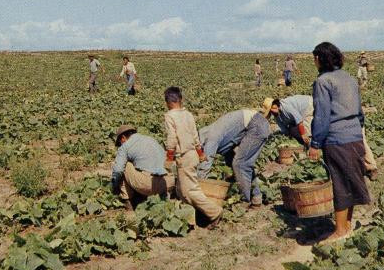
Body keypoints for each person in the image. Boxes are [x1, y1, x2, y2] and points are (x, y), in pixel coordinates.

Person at [309, 42, 371, 244]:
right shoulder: (349, 78)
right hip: (354, 135)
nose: (314, 62)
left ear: (320, 59)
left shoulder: (323, 81)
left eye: (315, 58)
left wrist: (315, 143)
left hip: (336, 138)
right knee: (350, 180)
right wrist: (357, 130)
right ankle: (346, 226)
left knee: (340, 184)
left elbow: (322, 116)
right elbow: (360, 111)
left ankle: (339, 231)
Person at [263, 96, 378, 179]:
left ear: (275, 105)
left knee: (359, 141)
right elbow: (285, 129)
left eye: (272, 110)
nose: (272, 113)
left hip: (352, 119)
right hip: (338, 118)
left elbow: (299, 120)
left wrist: (305, 135)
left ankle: (371, 168)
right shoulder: (278, 115)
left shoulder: (288, 107)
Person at [163, 86, 223, 227]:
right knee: (183, 190)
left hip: (184, 156)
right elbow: (196, 136)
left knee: (190, 191)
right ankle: (190, 220)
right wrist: (200, 154)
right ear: (181, 99)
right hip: (193, 155)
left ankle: (214, 212)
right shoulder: (188, 115)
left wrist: (169, 157)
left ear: (167, 102)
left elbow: (171, 138)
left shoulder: (170, 116)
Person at [197, 109, 270, 207]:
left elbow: (204, 168)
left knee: (239, 164)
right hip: (259, 123)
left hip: (256, 124)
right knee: (244, 164)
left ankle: (245, 201)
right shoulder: (212, 134)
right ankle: (256, 197)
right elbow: (228, 154)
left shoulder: (210, 139)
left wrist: (195, 190)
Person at [111, 125, 175, 210]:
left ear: (123, 138)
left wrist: (115, 186)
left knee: (121, 165)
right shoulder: (151, 139)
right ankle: (162, 195)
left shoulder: (125, 146)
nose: (120, 145)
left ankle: (127, 200)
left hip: (151, 185)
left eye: (120, 143)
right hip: (170, 182)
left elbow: (118, 170)